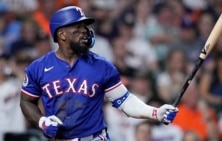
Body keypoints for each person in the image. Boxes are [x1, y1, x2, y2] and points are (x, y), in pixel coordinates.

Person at [19, 6, 178, 141]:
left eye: (85, 27)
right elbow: (26, 101)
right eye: (78, 28)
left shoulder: (102, 66)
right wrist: (42, 122)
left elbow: (124, 101)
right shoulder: (38, 67)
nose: (85, 32)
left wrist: (155, 112)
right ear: (62, 35)